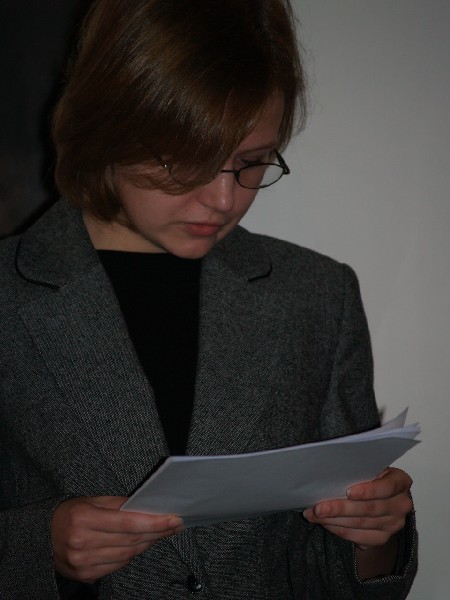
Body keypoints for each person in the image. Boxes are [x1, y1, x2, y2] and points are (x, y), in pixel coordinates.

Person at [0, 1, 417, 598]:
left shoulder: (319, 294)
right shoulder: (10, 293)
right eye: (186, 160)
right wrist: (36, 547)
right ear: (105, 127)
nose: (224, 200)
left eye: (251, 162)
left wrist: (374, 537)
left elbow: (338, 567)